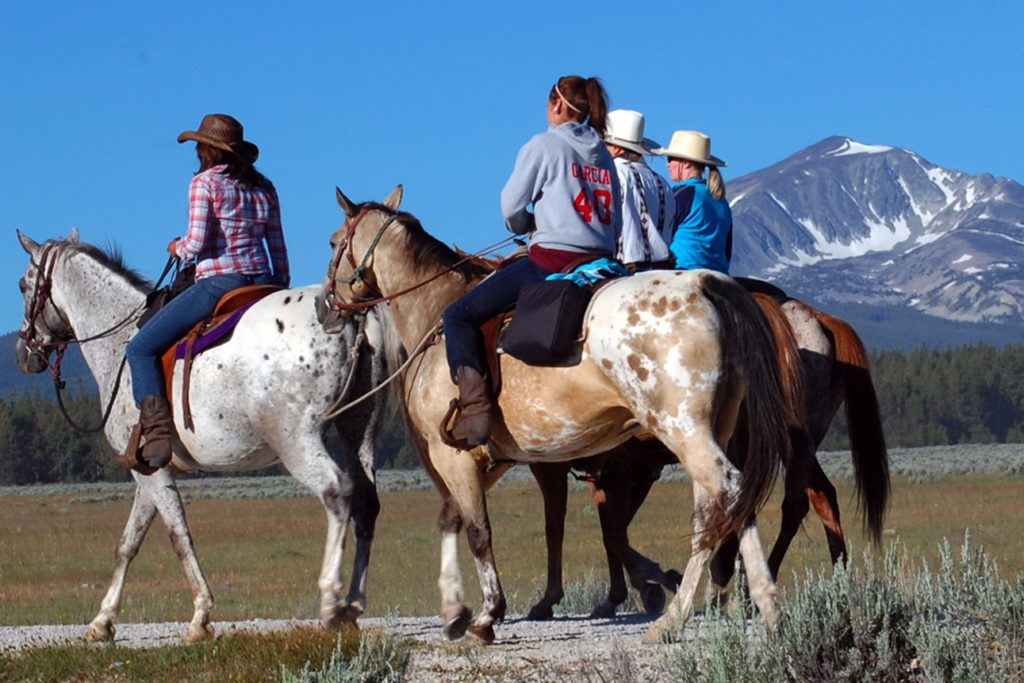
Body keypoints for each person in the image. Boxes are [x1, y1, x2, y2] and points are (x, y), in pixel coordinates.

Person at [442, 75, 621, 447]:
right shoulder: (604, 154)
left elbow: (510, 208)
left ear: (556, 105)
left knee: (457, 315)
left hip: (551, 261)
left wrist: (527, 224)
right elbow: (615, 217)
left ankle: (475, 410)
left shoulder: (544, 145)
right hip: (602, 263)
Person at [125, 113, 290, 469]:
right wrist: (280, 287)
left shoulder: (205, 183)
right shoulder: (264, 187)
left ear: (209, 151)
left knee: (139, 348)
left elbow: (197, 244)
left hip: (220, 283)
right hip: (263, 283)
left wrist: (175, 248)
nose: (197, 152)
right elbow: (277, 245)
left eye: (200, 146)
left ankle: (156, 432)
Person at [602, 109, 676, 272]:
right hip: (662, 268)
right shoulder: (662, 183)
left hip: (624, 268)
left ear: (617, 148)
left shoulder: (613, 175)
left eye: (604, 143)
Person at [654, 130, 731, 273]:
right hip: (720, 273)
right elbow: (727, 250)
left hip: (683, 270)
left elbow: (659, 239)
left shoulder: (681, 194)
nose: (668, 165)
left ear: (686, 163)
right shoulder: (721, 200)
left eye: (670, 159)